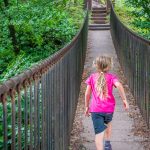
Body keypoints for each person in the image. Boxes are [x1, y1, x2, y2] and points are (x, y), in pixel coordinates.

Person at [84, 56, 129, 150]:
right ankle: (107, 144)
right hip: (109, 109)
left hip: (96, 109)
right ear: (109, 66)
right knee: (108, 123)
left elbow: (87, 93)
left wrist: (86, 106)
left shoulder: (92, 77)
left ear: (96, 66)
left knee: (99, 134)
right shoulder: (112, 77)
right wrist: (124, 100)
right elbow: (119, 85)